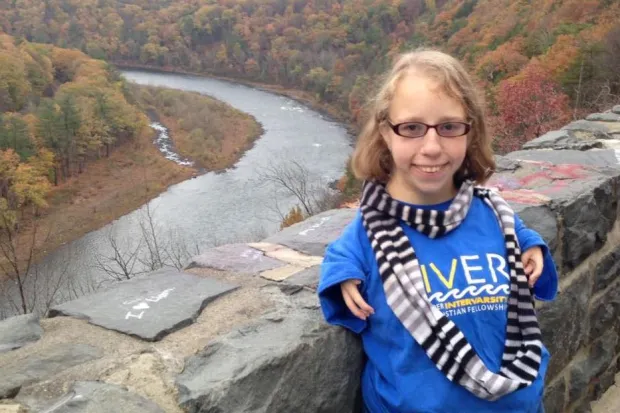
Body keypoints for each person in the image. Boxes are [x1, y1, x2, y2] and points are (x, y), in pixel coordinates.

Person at [318, 49, 558, 413]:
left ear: (469, 130)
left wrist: (530, 244)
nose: (431, 147)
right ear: (386, 131)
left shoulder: (491, 211)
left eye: (448, 127)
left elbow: (514, 229)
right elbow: (342, 253)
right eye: (412, 128)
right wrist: (343, 274)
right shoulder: (372, 230)